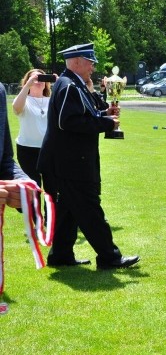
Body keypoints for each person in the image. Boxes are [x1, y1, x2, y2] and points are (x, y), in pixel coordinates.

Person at [38, 43, 139, 269]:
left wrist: (104, 113)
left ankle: (61, 256)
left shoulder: (74, 84)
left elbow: (84, 114)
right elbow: (68, 122)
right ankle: (109, 257)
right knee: (90, 209)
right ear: (76, 62)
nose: (93, 67)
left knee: (68, 210)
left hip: (68, 161)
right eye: (89, 61)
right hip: (70, 163)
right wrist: (106, 122)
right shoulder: (69, 86)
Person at [12, 69, 51, 187]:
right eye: (35, 79)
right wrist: (28, 85)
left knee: (52, 186)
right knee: (33, 187)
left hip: (49, 149)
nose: (38, 81)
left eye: (42, 78)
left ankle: (50, 206)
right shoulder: (24, 100)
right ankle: (34, 206)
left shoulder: (52, 100)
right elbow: (16, 108)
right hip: (27, 150)